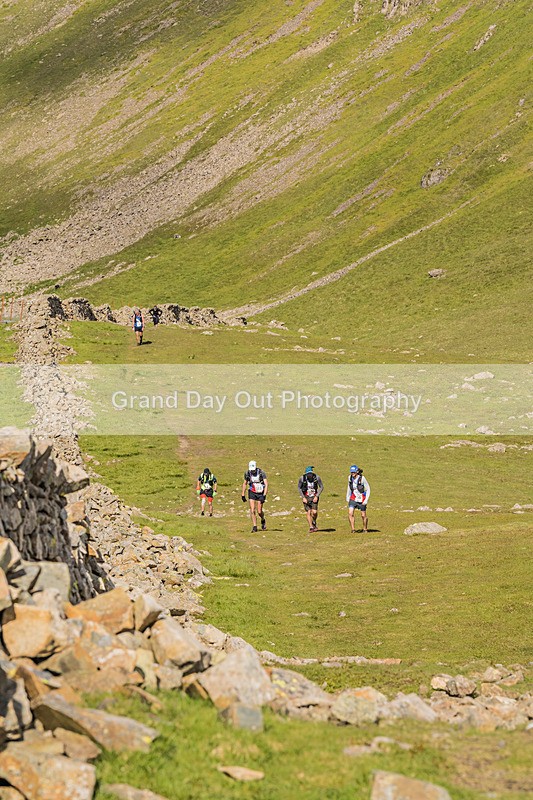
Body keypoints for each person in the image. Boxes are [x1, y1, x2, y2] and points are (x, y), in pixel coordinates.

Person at [241, 460, 268, 533]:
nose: (252, 471)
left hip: (260, 492)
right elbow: (245, 483)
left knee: (259, 511)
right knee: (252, 509)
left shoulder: (262, 473)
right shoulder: (247, 473)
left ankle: (262, 519)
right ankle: (255, 526)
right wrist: (243, 494)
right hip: (252, 492)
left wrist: (264, 495)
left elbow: (266, 484)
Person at [298, 466, 323, 532]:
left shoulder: (317, 478)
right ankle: (311, 527)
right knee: (308, 512)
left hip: (314, 496)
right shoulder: (302, 479)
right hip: (306, 496)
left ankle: (314, 521)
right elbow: (299, 488)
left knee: (314, 512)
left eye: (310, 474)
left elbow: (321, 487)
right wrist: (303, 497)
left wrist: (317, 496)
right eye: (308, 474)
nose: (310, 475)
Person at [346, 465, 371, 533]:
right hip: (353, 497)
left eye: (354, 472)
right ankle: (353, 529)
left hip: (361, 498)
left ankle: (365, 528)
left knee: (363, 515)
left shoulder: (362, 478)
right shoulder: (350, 478)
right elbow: (349, 487)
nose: (352, 473)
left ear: (357, 472)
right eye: (351, 472)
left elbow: (368, 489)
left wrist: (366, 500)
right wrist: (347, 496)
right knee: (350, 513)